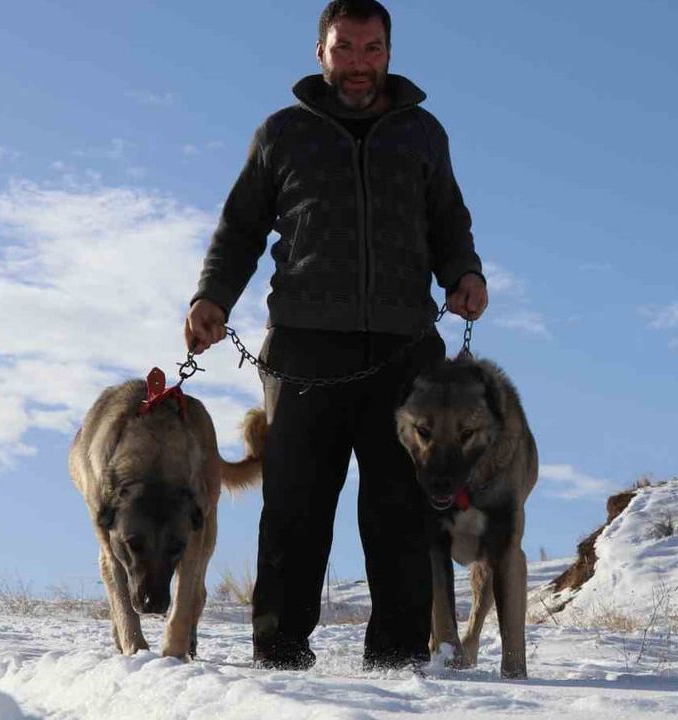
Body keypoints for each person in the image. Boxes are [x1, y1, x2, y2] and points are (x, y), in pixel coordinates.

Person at [183, 0, 487, 671]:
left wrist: (464, 273)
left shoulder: (422, 134)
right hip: (303, 351)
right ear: (320, 52)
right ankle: (281, 650)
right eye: (344, 48)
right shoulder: (283, 133)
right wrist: (212, 296)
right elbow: (239, 229)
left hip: (405, 351)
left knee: (401, 506)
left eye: (371, 49)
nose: (358, 63)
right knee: (295, 504)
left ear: (388, 52)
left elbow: (449, 221)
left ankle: (401, 656)